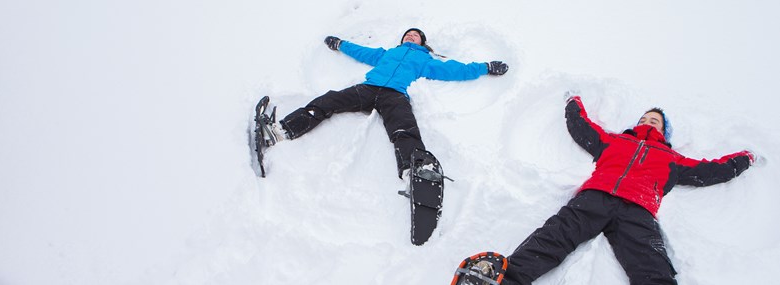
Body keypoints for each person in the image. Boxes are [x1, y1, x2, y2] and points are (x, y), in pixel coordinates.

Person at [500, 93, 756, 285]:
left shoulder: (671, 158)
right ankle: (506, 280)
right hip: (596, 197)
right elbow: (583, 129)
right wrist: (573, 103)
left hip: (638, 209)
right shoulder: (616, 141)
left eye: (654, 120)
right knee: (554, 236)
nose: (647, 122)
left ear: (664, 130)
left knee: (650, 263)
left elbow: (710, 171)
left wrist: (743, 159)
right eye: (644, 118)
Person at [267, 28, 509, 178]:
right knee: (329, 100)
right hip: (368, 88)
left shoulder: (425, 60)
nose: (410, 35)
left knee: (404, 128)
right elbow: (361, 51)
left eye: (415, 35)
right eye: (407, 34)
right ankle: (283, 129)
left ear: (422, 42)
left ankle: (414, 170)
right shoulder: (387, 53)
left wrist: (485, 68)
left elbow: (457, 70)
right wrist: (340, 44)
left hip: (395, 95)